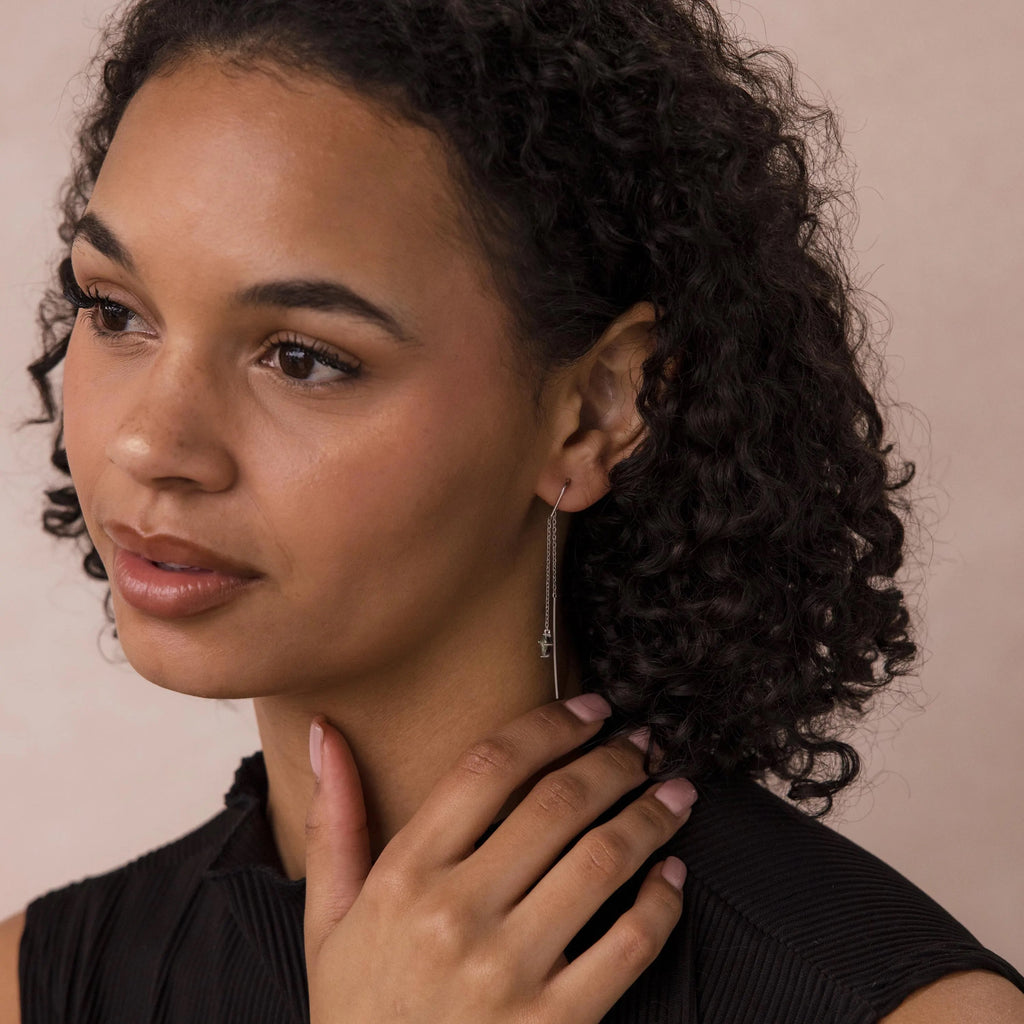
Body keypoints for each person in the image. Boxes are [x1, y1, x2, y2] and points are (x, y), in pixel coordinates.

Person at [2, 0, 1022, 1021]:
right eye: (115, 311)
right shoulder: (34, 981)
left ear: (593, 413)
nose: (149, 443)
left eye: (303, 357)